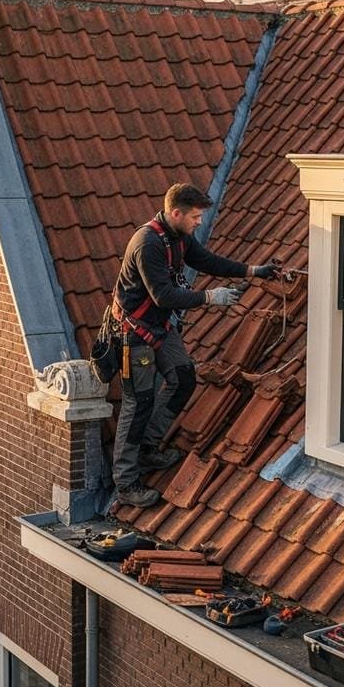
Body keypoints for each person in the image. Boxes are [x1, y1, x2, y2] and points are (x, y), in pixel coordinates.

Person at [110, 183, 280, 508]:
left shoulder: (178, 237)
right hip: (135, 333)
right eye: (195, 217)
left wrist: (254, 271)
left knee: (183, 378)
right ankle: (126, 483)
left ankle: (147, 448)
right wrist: (209, 297)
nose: (199, 222)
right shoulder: (147, 243)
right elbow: (163, 295)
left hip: (159, 327)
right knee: (138, 403)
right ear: (176, 213)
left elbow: (206, 261)